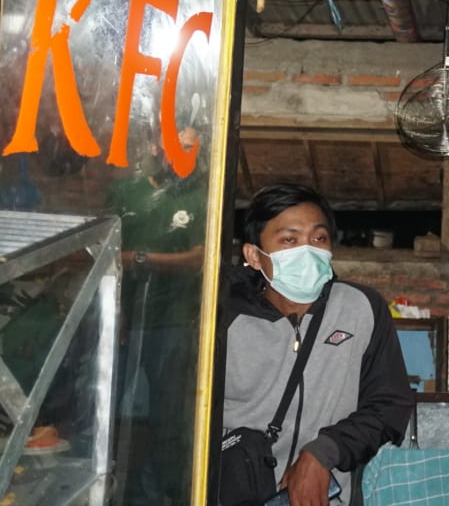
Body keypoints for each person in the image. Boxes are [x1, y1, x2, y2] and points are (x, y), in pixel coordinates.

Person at [224, 183, 414, 505]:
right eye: (289, 239)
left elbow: (388, 405)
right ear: (254, 256)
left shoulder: (360, 309)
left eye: (318, 238)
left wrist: (325, 451)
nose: (307, 250)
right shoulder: (221, 317)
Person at [108, 125, 208, 505]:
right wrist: (115, 311)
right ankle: (113, 492)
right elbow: (104, 253)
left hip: (173, 322)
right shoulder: (127, 192)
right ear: (156, 147)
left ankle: (155, 497)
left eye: (190, 148)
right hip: (123, 322)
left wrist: (141, 259)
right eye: (175, 147)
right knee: (113, 412)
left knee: (167, 419)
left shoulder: (199, 198)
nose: (182, 155)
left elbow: (198, 258)